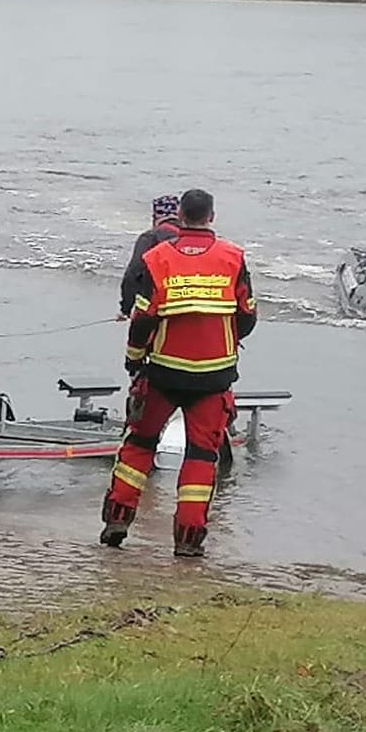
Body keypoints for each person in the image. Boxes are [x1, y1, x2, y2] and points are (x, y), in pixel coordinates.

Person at [100, 188, 255, 558]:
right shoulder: (234, 258)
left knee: (139, 445)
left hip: (164, 373)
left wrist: (134, 361)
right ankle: (188, 541)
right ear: (211, 217)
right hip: (214, 377)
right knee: (201, 457)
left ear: (179, 216)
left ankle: (116, 522)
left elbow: (142, 319)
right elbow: (247, 316)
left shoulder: (157, 258)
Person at [118, 194, 182, 320]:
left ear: (154, 217)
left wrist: (126, 309)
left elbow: (133, 274)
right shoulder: (192, 240)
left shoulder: (149, 238)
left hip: (153, 312)